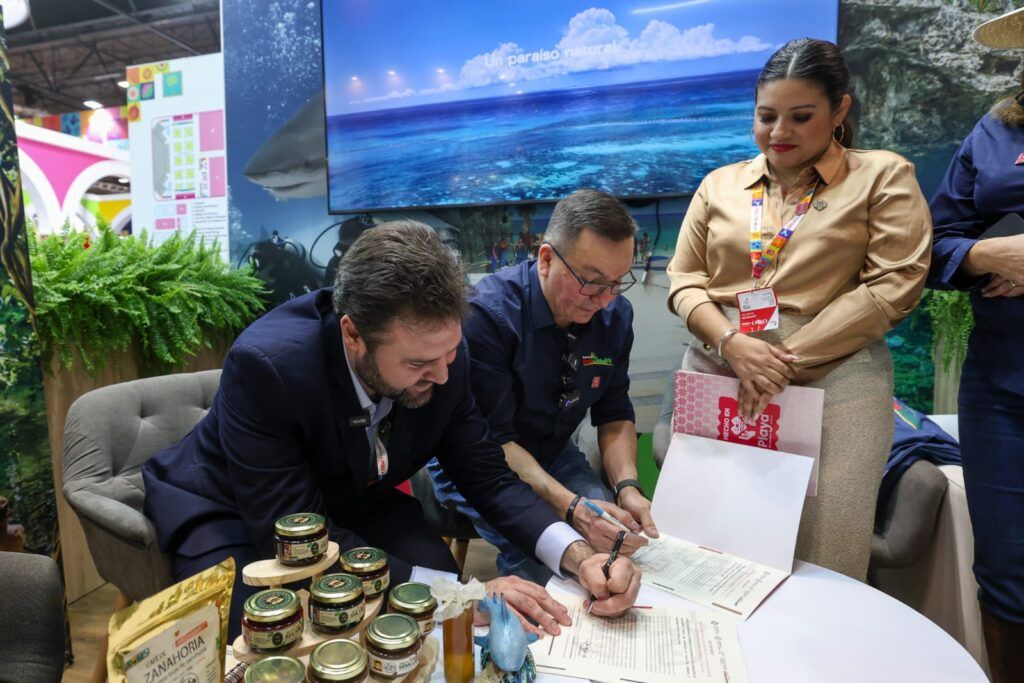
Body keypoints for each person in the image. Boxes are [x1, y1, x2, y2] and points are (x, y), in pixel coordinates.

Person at [142, 221, 640, 640]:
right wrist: (460, 594)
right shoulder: (267, 366)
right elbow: (293, 537)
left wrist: (577, 556)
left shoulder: (443, 356)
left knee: (436, 581)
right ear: (352, 334)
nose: (442, 376)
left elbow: (487, 477)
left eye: (449, 354)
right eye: (418, 364)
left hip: (353, 499)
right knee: (266, 630)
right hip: (238, 512)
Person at [666, 38, 931, 581]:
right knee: (707, 539)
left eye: (801, 117)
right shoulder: (719, 185)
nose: (779, 132)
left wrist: (781, 359)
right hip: (721, 368)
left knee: (824, 549)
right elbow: (684, 279)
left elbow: (893, 284)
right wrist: (732, 344)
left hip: (837, 379)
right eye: (766, 117)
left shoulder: (882, 175)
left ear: (839, 110)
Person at [430, 189, 657, 585]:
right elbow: (495, 442)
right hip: (481, 462)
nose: (605, 300)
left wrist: (628, 488)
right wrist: (571, 509)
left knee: (612, 537)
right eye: (592, 282)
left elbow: (615, 412)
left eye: (618, 283)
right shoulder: (488, 316)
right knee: (547, 554)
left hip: (553, 452)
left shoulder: (615, 317)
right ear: (547, 258)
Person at [927, 9, 1024, 680]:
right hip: (1002, 389)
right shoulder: (995, 130)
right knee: (1006, 574)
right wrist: (989, 254)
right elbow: (933, 246)